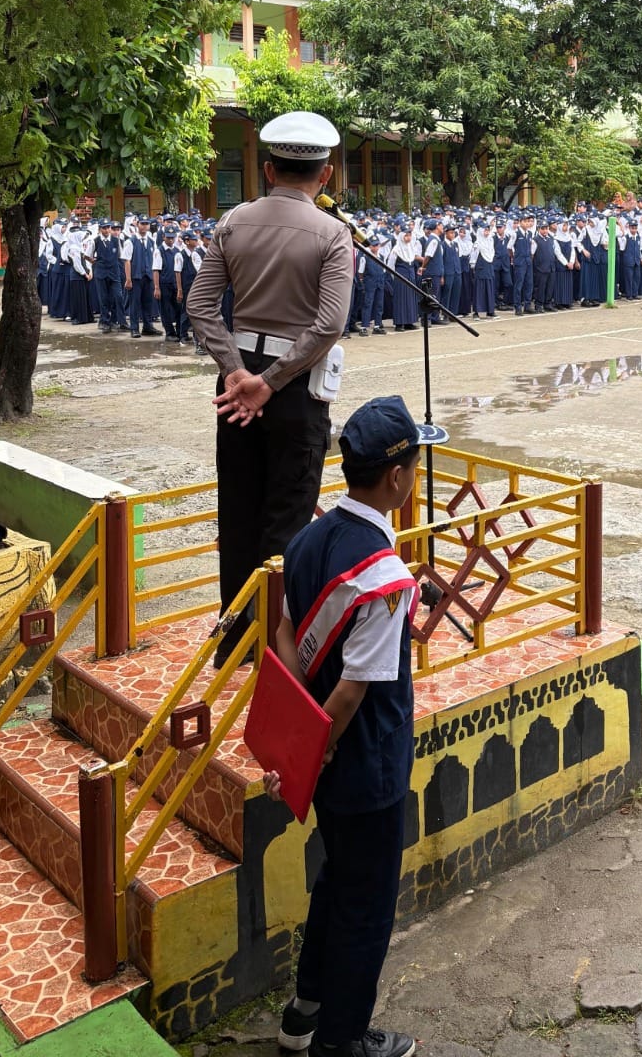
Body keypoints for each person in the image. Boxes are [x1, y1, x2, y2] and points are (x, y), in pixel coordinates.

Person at [269, 394, 446, 1057]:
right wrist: (322, 744)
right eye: (416, 468)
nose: (416, 479)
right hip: (364, 765)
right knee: (367, 909)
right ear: (397, 477)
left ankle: (304, 1011)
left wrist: (300, 737)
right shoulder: (385, 578)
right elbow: (349, 693)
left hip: (322, 758)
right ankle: (339, 1042)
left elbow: (289, 636)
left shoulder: (307, 538)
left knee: (336, 879)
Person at [188, 111, 353, 666]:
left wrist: (236, 372)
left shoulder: (233, 223)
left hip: (233, 386)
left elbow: (200, 305)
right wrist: (269, 381)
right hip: (293, 386)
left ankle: (232, 641)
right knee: (286, 519)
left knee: (236, 512)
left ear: (266, 169)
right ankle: (274, 654)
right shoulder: (333, 233)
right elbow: (329, 324)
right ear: (325, 176)